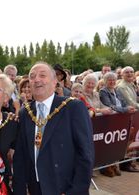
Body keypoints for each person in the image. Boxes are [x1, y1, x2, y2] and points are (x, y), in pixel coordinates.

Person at [13, 62, 94, 195]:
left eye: (42, 75)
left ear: (54, 81)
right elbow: (21, 157)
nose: (36, 79)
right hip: (35, 189)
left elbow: (86, 154)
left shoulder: (72, 107)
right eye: (32, 76)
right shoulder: (25, 112)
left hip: (65, 188)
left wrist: (75, 191)